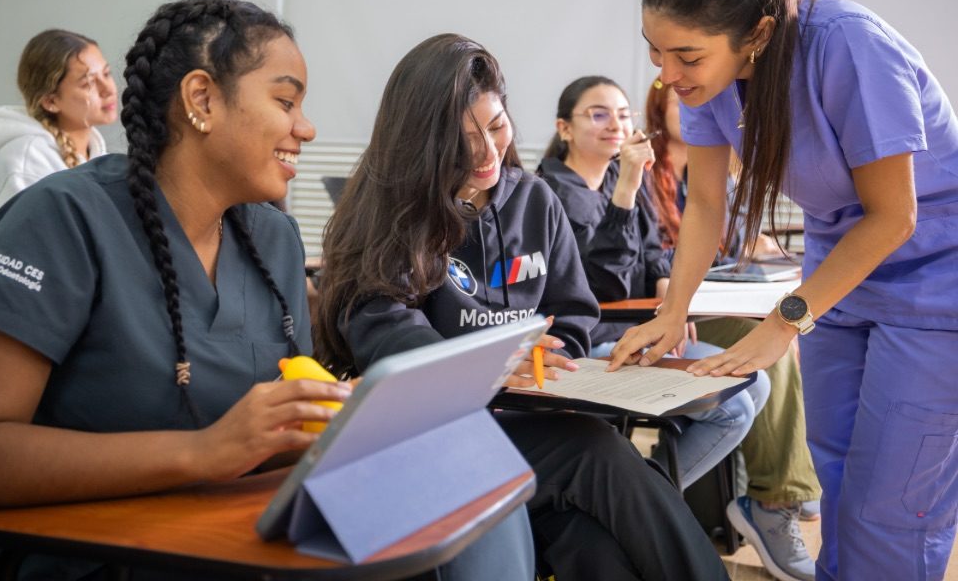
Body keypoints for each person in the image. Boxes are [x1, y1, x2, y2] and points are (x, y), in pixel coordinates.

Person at [0, 0, 532, 581]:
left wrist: (345, 417)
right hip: (103, 554)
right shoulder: (61, 219)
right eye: (286, 101)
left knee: (467, 469)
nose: (306, 128)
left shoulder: (272, 239)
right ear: (201, 99)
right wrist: (204, 451)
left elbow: (274, 434)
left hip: (239, 534)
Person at [610, 0, 958, 581]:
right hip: (840, 254)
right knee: (838, 468)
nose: (669, 75)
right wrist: (671, 312)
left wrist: (784, 323)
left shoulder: (848, 45)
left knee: (894, 500)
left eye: (686, 56)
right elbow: (707, 202)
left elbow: (894, 216)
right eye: (656, 52)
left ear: (759, 35)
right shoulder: (708, 84)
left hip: (934, 270)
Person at [314, 34, 730, 581]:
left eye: (496, 126)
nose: (488, 152)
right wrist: (493, 363)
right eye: (464, 139)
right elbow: (388, 341)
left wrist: (556, 361)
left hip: (526, 420)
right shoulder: (388, 217)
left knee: (596, 547)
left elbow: (575, 311)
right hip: (430, 435)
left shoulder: (533, 198)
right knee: (594, 451)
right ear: (421, 140)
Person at [537, 74, 769, 494]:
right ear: (564, 129)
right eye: (599, 114)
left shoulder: (617, 179)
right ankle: (649, 497)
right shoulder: (548, 193)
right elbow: (601, 288)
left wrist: (666, 286)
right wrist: (627, 185)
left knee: (757, 382)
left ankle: (648, 496)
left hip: (637, 328)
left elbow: (651, 251)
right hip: (593, 339)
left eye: (623, 115)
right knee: (732, 408)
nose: (616, 125)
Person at [646, 78, 822, 580]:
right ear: (657, 111)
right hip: (672, 312)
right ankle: (776, 500)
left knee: (794, 332)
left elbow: (730, 249)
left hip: (714, 298)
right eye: (677, 102)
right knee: (772, 349)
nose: (693, 108)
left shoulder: (718, 172)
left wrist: (753, 241)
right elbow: (647, 261)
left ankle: (790, 486)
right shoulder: (640, 175)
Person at [0, 29, 118, 238]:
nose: (108, 89)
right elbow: (29, 250)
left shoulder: (96, 151)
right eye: (88, 83)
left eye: (106, 74)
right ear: (50, 101)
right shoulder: (25, 162)